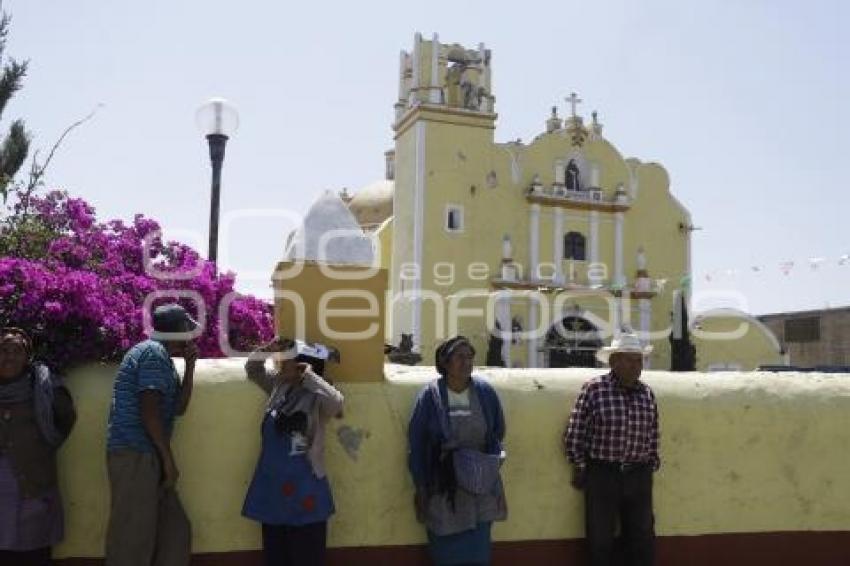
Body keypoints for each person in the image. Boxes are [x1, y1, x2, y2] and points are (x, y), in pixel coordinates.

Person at [104, 304, 198, 566]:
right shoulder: (153, 353)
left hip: (148, 454)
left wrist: (190, 367)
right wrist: (168, 460)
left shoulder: (163, 359)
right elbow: (149, 412)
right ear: (177, 330)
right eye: (187, 328)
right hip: (136, 454)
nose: (191, 334)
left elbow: (179, 407)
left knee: (174, 532)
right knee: (132, 538)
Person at [242, 336, 344, 566]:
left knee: (306, 555)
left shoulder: (318, 394)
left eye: (287, 361)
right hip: (273, 488)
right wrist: (268, 348)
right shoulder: (279, 386)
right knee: (276, 555)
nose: (280, 364)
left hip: (306, 489)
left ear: (301, 366)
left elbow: (337, 404)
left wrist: (308, 376)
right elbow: (253, 369)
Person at [408, 336, 507, 566]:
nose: (467, 362)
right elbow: (417, 443)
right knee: (446, 550)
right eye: (459, 357)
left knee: (478, 549)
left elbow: (497, 432)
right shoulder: (430, 397)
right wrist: (421, 488)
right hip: (443, 486)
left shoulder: (485, 393)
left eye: (470, 357)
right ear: (445, 362)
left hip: (479, 486)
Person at [563, 332, 660, 566]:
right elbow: (576, 431)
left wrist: (651, 464)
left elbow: (653, 433)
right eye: (629, 360)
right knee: (600, 537)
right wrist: (579, 465)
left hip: (639, 474)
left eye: (639, 360)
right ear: (614, 361)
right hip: (603, 474)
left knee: (642, 537)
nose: (636, 366)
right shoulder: (594, 389)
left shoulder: (647, 394)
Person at [0, 327, 76, 566]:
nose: (9, 356)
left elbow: (66, 419)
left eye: (17, 351)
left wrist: (42, 446)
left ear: (27, 357)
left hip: (34, 483)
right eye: (3, 350)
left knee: (34, 551)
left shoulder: (45, 387)